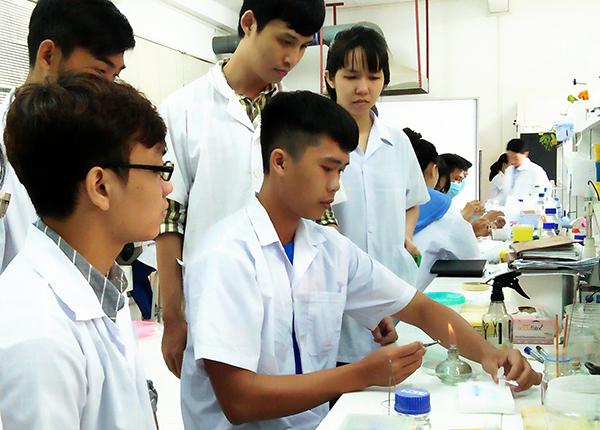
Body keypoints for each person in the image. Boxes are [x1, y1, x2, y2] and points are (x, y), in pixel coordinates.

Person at [182, 91, 540, 430]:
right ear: (280, 162)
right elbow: (239, 400)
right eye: (327, 168)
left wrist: (489, 354)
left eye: (341, 171)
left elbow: (420, 309)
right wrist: (361, 374)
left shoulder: (329, 248)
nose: (336, 185)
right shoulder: (226, 256)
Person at [157, 0, 327, 378]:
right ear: (249, 23)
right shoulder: (181, 110)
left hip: (292, 307)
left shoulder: (302, 118)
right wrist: (172, 318)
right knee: (219, 402)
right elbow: (169, 220)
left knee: (295, 399)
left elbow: (324, 217)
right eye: (285, 41)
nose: (293, 58)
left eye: (303, 46)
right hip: (212, 306)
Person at [0, 72, 172, 429]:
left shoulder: (100, 283)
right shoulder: (39, 337)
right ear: (101, 186)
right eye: (158, 169)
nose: (167, 187)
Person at [0, 0, 135, 274]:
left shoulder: (99, 146)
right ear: (48, 56)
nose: (108, 92)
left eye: (114, 77)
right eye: (99, 73)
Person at [323, 26, 429, 364]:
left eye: (374, 77)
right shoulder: (316, 143)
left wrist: (406, 235)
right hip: (335, 293)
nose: (363, 88)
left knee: (394, 379)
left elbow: (412, 202)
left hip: (391, 285)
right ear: (330, 78)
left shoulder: (397, 142)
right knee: (340, 378)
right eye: (351, 76)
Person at [407, 129, 482, 291]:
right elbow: (472, 261)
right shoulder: (442, 208)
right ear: (433, 169)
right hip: (414, 302)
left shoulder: (374, 201)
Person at [501, 138, 551, 204]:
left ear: (525, 154)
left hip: (528, 209)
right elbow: (505, 195)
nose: (512, 161)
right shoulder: (509, 170)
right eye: (509, 157)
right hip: (509, 208)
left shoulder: (536, 171)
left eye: (516, 158)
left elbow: (545, 196)